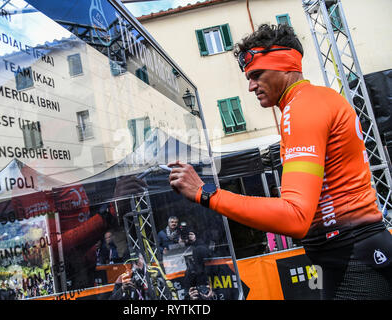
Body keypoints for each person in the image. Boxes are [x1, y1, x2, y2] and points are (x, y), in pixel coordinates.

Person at [168, 23, 392, 300]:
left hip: (353, 259)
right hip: (353, 255)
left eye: (257, 74)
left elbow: (295, 217)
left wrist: (206, 193)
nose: (251, 86)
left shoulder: (302, 108)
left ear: (285, 66)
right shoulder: (315, 101)